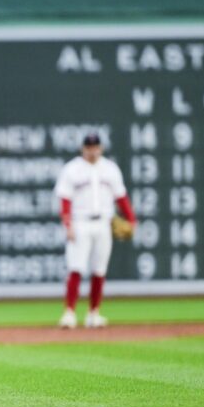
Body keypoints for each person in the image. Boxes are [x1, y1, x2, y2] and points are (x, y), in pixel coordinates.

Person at [54, 133, 136, 329]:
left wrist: (132, 219)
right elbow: (64, 199)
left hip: (103, 223)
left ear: (101, 148)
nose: (92, 151)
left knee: (99, 269)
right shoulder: (72, 169)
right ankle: (69, 313)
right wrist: (67, 224)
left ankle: (94, 313)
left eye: (95, 147)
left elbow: (121, 196)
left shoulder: (110, 169)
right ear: (83, 148)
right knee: (76, 267)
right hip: (80, 222)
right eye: (89, 147)